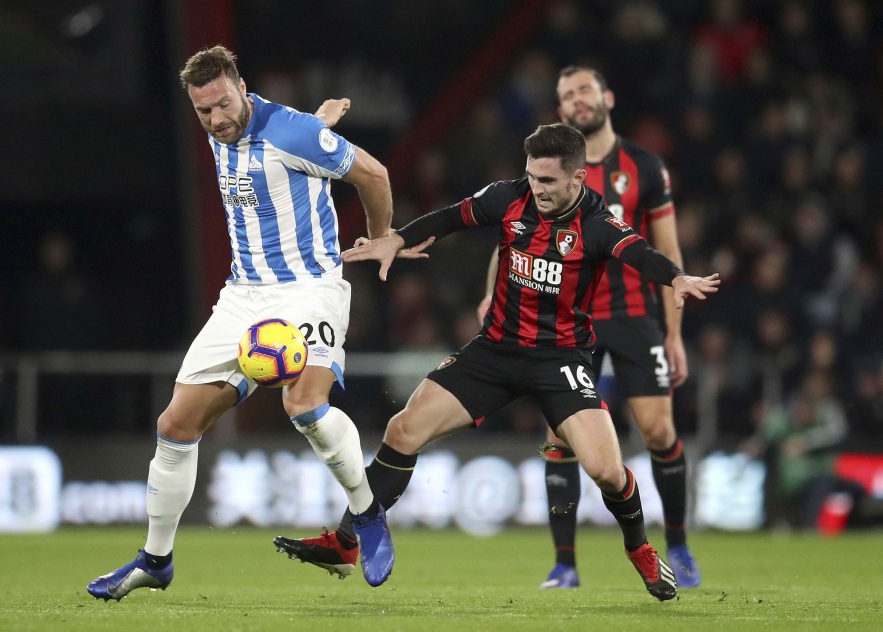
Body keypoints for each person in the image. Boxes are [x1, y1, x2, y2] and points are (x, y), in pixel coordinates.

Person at [274, 123, 720, 600]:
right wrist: (397, 239)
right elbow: (450, 218)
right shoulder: (509, 198)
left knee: (607, 471)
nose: (537, 188)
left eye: (548, 181)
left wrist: (673, 278)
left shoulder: (596, 223)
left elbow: (639, 253)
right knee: (403, 429)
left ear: (577, 179)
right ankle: (346, 543)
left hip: (560, 360)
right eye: (531, 176)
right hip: (495, 350)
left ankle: (640, 552)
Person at [87, 45, 402, 599]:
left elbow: (373, 173)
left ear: (240, 85)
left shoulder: (290, 132)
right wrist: (319, 121)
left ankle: (367, 514)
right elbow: (283, 140)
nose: (216, 120)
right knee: (174, 427)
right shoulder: (230, 129)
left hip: (310, 289)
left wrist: (380, 241)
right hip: (242, 298)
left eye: (223, 105)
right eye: (203, 112)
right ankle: (155, 560)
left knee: (303, 405)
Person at [483, 66, 702, 589]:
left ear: (607, 96)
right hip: (562, 320)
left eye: (584, 90)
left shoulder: (643, 167)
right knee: (559, 436)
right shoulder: (547, 169)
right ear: (560, 112)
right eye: (566, 96)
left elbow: (667, 253)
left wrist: (673, 334)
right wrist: (492, 293)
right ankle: (565, 564)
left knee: (657, 430)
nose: (576, 101)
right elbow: (512, 236)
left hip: (631, 317)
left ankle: (677, 543)